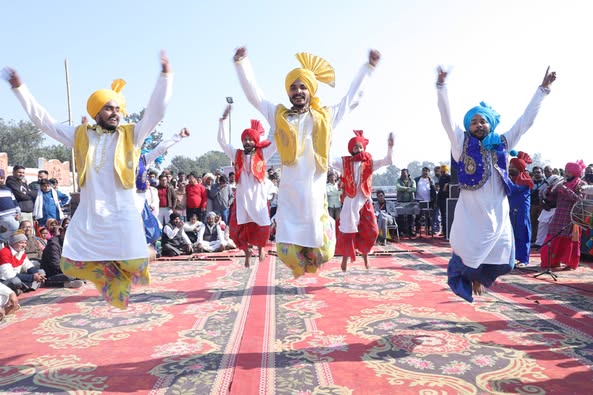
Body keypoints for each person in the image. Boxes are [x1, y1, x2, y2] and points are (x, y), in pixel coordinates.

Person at [4, 51, 173, 309]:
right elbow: (45, 123)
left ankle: (134, 265)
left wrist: (164, 76)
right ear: (97, 112)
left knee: (136, 262)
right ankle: (111, 277)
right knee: (70, 260)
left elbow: (156, 113)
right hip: (91, 212)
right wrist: (20, 89)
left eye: (118, 109)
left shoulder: (132, 135)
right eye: (109, 108)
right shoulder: (81, 135)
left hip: (123, 212)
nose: (115, 113)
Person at [233, 46, 381, 277]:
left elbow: (351, 100)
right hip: (290, 196)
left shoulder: (326, 116)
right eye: (293, 87)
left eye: (303, 87)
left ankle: (325, 239)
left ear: (311, 91)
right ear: (288, 92)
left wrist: (368, 68)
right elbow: (255, 97)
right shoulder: (279, 115)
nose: (298, 91)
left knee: (323, 253)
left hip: (314, 194)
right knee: (286, 253)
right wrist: (242, 64)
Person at [437, 65, 556, 302]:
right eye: (474, 122)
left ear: (491, 124)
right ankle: (466, 277)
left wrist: (542, 90)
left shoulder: (503, 142)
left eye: (483, 121)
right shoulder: (460, 144)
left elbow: (525, 122)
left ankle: (480, 277)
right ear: (468, 127)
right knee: (468, 252)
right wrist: (442, 87)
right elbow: (447, 120)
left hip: (497, 213)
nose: (478, 125)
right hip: (471, 213)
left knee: (503, 259)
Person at [218, 107, 276, 267]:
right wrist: (222, 121)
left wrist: (275, 119)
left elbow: (277, 142)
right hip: (242, 197)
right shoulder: (236, 154)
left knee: (263, 224)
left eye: (251, 139)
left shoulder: (263, 154)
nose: (247, 142)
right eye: (245, 139)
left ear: (255, 141)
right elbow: (222, 142)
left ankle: (261, 248)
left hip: (258, 197)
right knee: (239, 228)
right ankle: (247, 252)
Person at [333, 131, 394, 271]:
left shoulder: (370, 163)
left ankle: (365, 256)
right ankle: (345, 259)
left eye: (360, 147)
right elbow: (329, 160)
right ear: (351, 149)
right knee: (348, 231)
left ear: (364, 148)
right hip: (350, 201)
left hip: (365, 201)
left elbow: (387, 161)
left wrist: (390, 147)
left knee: (371, 230)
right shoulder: (344, 163)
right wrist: (327, 142)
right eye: (355, 147)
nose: (358, 149)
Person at [540, 161, 586, 271]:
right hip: (559, 215)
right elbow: (552, 198)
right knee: (552, 238)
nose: (565, 174)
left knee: (571, 241)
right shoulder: (562, 182)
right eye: (565, 171)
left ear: (575, 172)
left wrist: (564, 189)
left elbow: (579, 200)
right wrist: (549, 191)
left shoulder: (581, 184)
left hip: (572, 218)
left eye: (568, 172)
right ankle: (551, 262)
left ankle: (570, 263)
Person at [508, 151, 534, 267]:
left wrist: (504, 177)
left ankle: (523, 259)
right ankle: (512, 257)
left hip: (521, 212)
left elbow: (513, 189)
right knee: (511, 234)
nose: (510, 168)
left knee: (522, 233)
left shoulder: (525, 180)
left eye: (512, 166)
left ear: (518, 167)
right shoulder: (512, 178)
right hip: (511, 211)